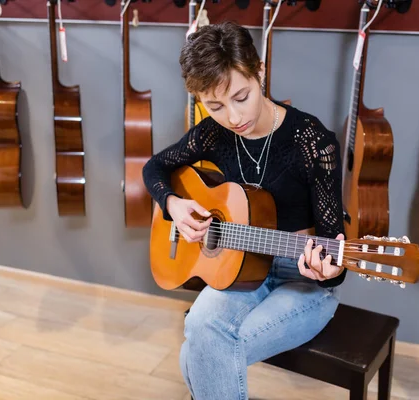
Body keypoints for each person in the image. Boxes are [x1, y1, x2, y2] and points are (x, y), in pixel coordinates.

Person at [142, 21, 347, 400]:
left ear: (260, 71)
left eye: (241, 96)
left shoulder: (313, 142)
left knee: (200, 346)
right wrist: (173, 205)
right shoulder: (213, 133)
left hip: (300, 281)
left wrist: (329, 270)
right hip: (241, 269)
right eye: (215, 105)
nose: (234, 117)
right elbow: (155, 167)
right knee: (204, 337)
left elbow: (335, 255)